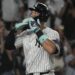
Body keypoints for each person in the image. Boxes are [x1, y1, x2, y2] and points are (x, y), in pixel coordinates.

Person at [5, 2, 60, 75]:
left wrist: (36, 30)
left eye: (35, 12)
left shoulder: (53, 33)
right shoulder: (27, 33)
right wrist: (14, 30)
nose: (31, 15)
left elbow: (52, 50)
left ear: (43, 15)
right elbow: (8, 46)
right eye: (32, 12)